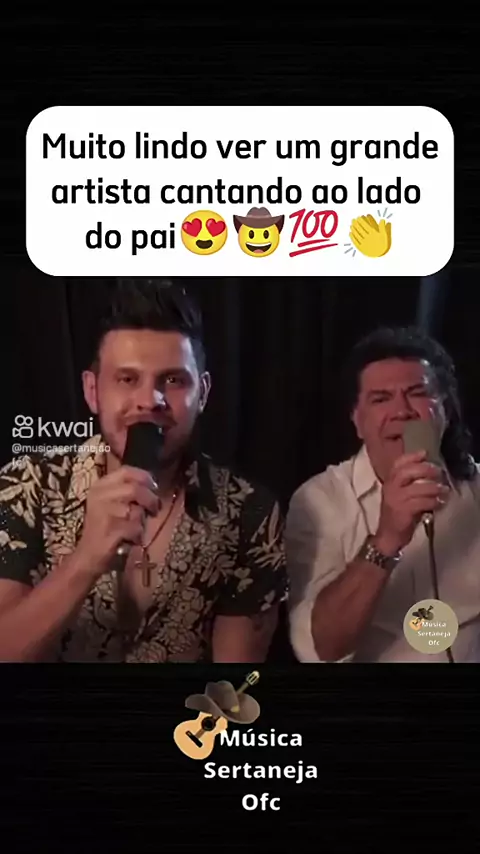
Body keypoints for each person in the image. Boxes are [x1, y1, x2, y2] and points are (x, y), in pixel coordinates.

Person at [0, 279, 287, 662]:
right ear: (92, 391)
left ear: (202, 393)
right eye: (127, 379)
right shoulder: (26, 486)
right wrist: (86, 559)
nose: (149, 400)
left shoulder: (249, 511)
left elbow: (232, 685)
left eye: (173, 380)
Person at [286, 326, 480, 663]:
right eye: (381, 399)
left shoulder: (475, 487)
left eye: (417, 393)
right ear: (357, 420)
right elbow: (319, 650)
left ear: (445, 411)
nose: (402, 411)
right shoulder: (319, 500)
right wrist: (388, 538)